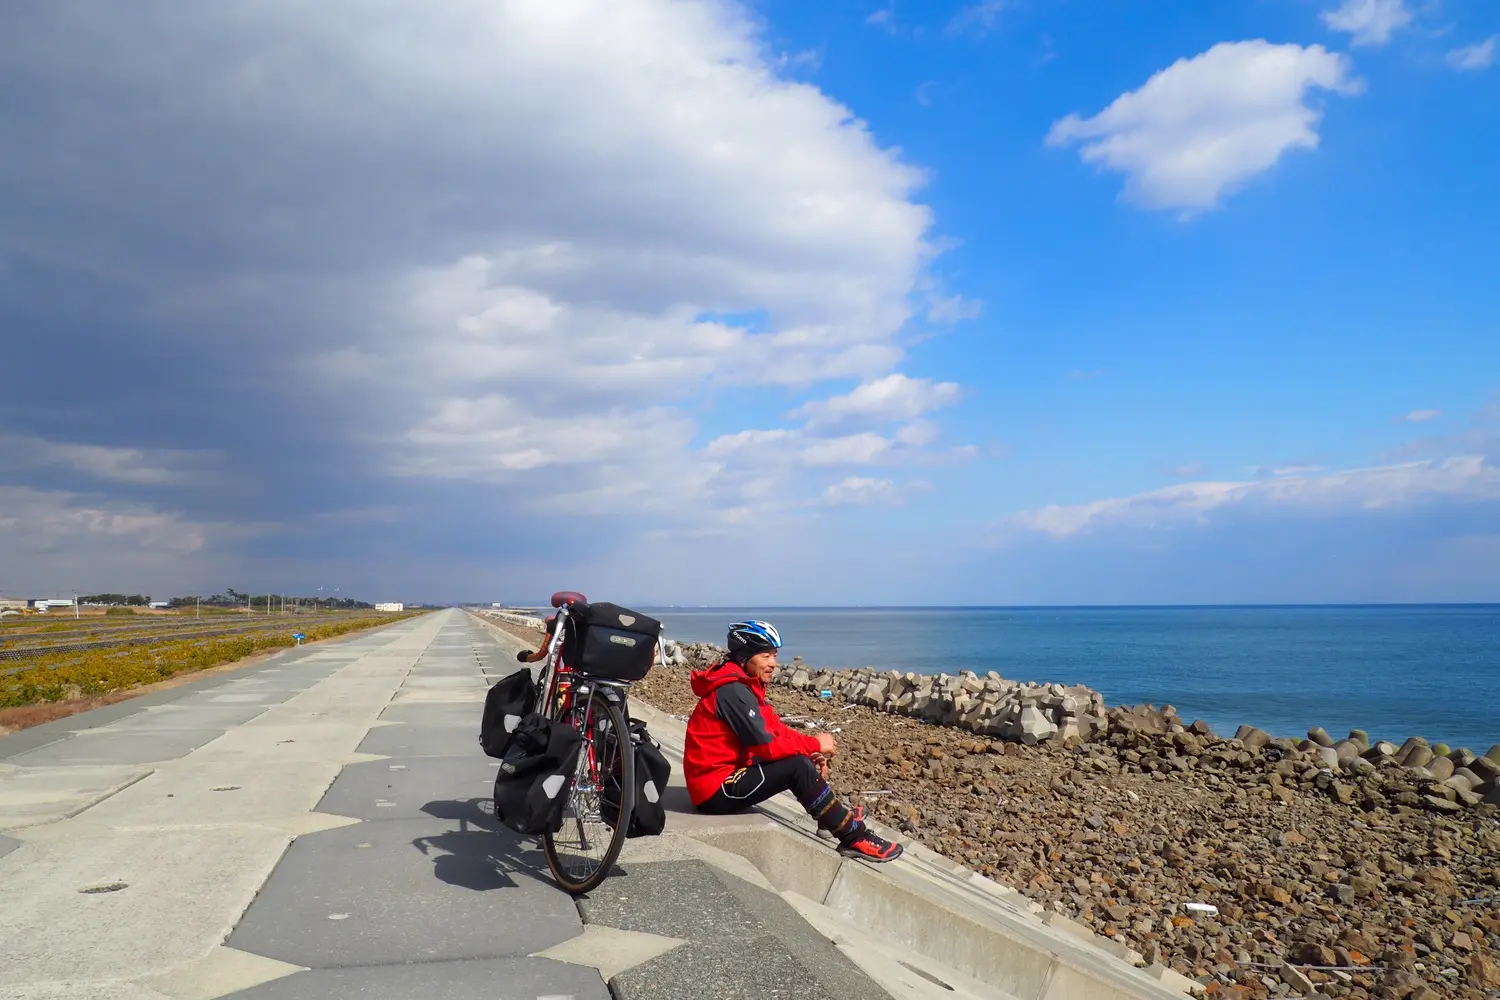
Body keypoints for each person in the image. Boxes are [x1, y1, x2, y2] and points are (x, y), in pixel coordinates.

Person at [683, 620, 902, 862]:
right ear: (746, 656)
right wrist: (815, 745)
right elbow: (766, 746)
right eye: (766, 656)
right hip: (715, 791)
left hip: (728, 773)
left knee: (799, 759)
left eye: (774, 655)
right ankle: (854, 837)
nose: (773, 663)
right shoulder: (733, 692)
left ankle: (831, 820)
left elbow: (774, 728)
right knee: (796, 767)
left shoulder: (742, 684)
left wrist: (808, 747)